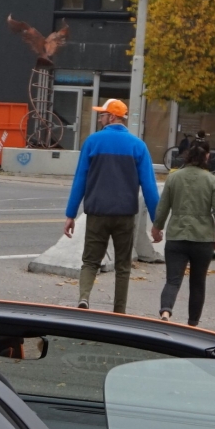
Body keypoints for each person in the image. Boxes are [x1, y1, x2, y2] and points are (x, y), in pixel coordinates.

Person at [61, 98, 162, 311]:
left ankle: (84, 297)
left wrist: (71, 214)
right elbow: (150, 187)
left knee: (90, 261)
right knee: (123, 265)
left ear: (112, 117)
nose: (99, 118)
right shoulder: (138, 146)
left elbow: (80, 179)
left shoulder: (92, 142)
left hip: (97, 212)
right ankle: (119, 310)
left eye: (102, 114)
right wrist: (157, 222)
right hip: (124, 215)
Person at [153, 140, 215, 326]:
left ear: (187, 156)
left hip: (177, 235)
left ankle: (166, 312)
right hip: (203, 238)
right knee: (198, 282)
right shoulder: (212, 180)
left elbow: (163, 208)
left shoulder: (174, 178)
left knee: (173, 280)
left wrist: (157, 228)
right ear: (206, 158)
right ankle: (193, 323)